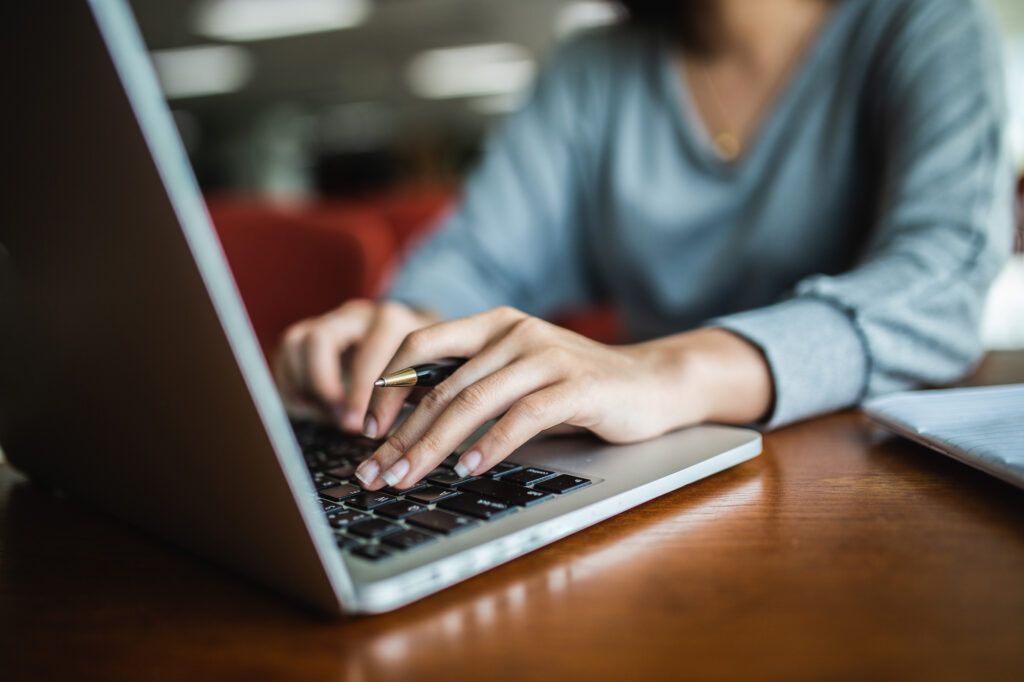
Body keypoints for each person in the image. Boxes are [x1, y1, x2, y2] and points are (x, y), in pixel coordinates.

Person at [275, 0, 1014, 491]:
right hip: (648, 475)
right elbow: (479, 256)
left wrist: (664, 370)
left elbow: (940, 288)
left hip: (864, 476)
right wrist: (411, 326)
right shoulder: (592, 68)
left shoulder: (925, 24)